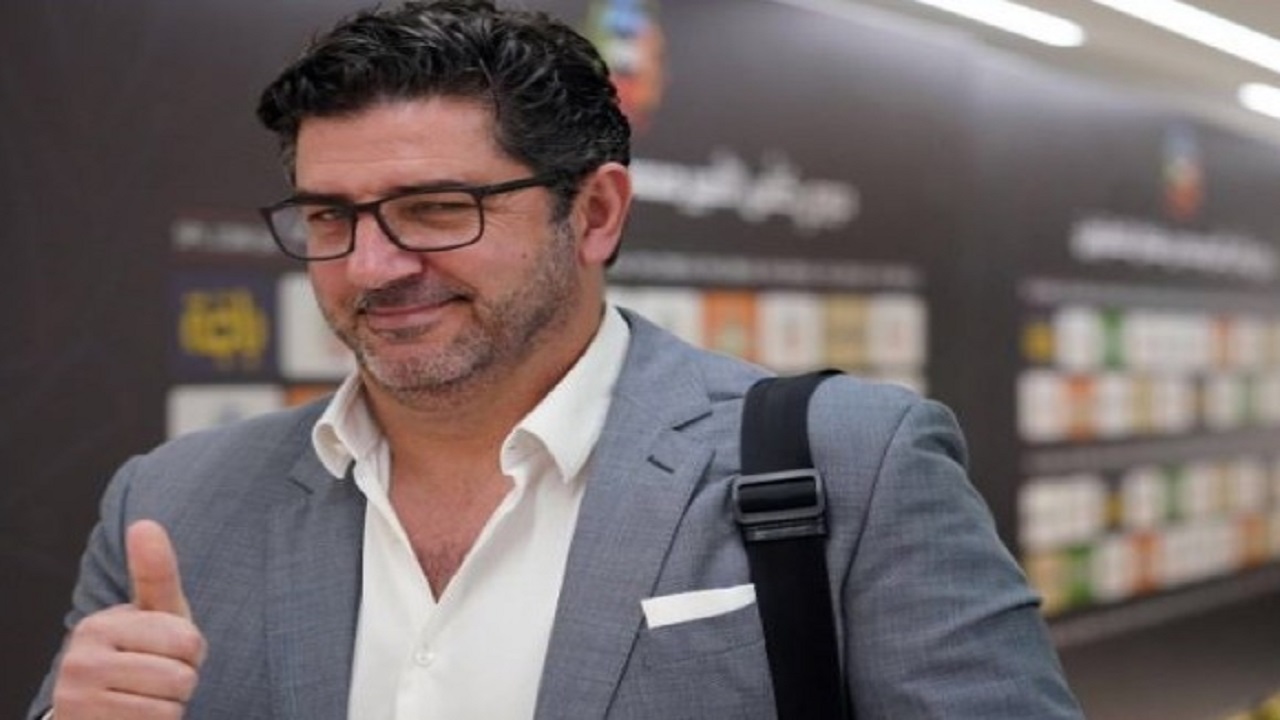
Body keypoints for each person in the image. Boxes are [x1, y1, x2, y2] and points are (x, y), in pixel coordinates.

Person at [28, 1, 1084, 718]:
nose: (372, 266)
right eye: (329, 217)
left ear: (595, 212)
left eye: (435, 208)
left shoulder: (854, 465)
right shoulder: (172, 504)